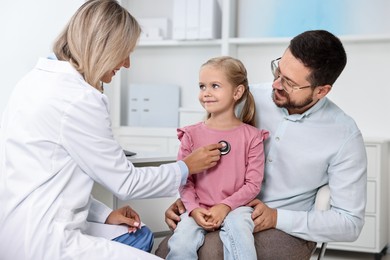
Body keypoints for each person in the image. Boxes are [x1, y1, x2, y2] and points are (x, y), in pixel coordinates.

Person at [0, 1, 223, 259]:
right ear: (103, 48)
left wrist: (106, 215)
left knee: (140, 236)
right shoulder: (80, 99)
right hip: (45, 241)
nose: (127, 63)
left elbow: (50, 178)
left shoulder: (33, 80)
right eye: (124, 52)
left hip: (15, 229)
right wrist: (187, 167)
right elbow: (126, 183)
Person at [156, 30, 368, 259]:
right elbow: (204, 152)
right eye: (278, 71)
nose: (275, 84)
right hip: (221, 208)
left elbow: (350, 223)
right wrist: (190, 202)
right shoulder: (246, 98)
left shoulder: (344, 135)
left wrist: (277, 217)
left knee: (210, 253)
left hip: (283, 228)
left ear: (321, 91)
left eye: (288, 82)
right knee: (166, 249)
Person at [165, 57, 268, 260]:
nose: (206, 93)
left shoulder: (253, 137)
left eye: (215, 86)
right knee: (181, 241)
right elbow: (184, 180)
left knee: (240, 231)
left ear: (237, 92)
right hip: (198, 207)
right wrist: (193, 210)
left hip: (237, 208)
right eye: (202, 86)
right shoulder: (190, 135)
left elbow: (253, 185)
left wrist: (226, 206)